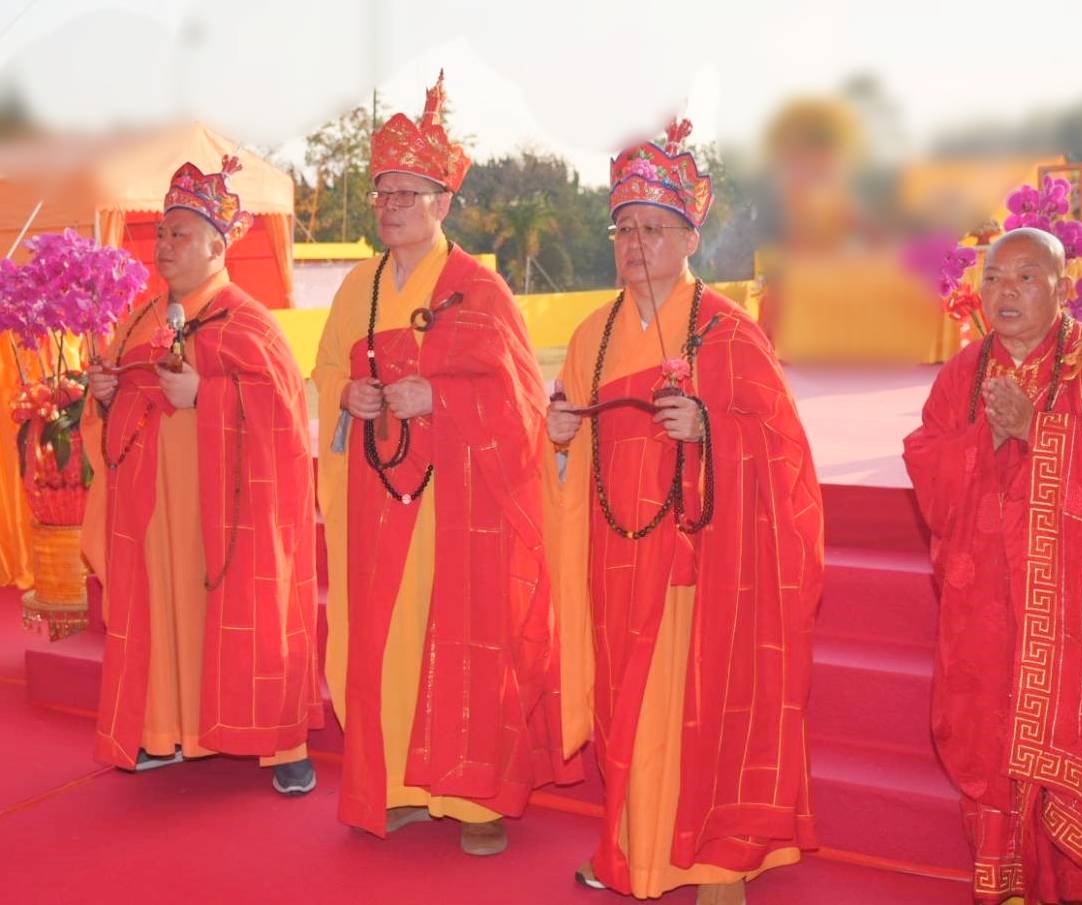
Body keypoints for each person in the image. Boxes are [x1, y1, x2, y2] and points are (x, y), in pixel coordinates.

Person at [545, 119, 824, 905]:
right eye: (624, 229)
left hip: (700, 563)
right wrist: (558, 438)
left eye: (654, 229)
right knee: (628, 711)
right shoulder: (592, 336)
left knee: (694, 710)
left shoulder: (728, 332)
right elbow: (567, 449)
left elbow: (785, 450)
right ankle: (633, 850)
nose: (635, 244)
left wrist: (711, 429)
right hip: (614, 558)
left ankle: (714, 865)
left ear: (690, 238)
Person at [313, 71, 578, 854]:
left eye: (408, 192)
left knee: (466, 637)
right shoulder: (357, 289)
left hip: (461, 503)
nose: (390, 205)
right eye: (382, 192)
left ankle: (473, 797)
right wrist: (349, 398)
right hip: (378, 498)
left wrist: (441, 399)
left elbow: (522, 403)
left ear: (443, 202)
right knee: (385, 638)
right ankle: (395, 785)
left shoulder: (479, 291)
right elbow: (326, 376)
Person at [903, 227, 1082, 903]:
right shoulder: (964, 373)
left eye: (1026, 277)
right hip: (995, 616)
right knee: (997, 741)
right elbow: (929, 463)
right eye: (994, 278)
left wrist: (1041, 431)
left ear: (1063, 288)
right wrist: (986, 440)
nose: (1005, 291)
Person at [81, 156, 322, 794]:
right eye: (161, 233)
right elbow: (121, 397)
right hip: (156, 509)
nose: (164, 244)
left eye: (180, 234)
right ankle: (170, 731)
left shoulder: (250, 321)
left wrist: (205, 395)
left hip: (230, 510)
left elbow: (284, 413)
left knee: (250, 611)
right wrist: (106, 394)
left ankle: (283, 744)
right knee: (164, 611)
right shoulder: (140, 320)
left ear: (218, 245)